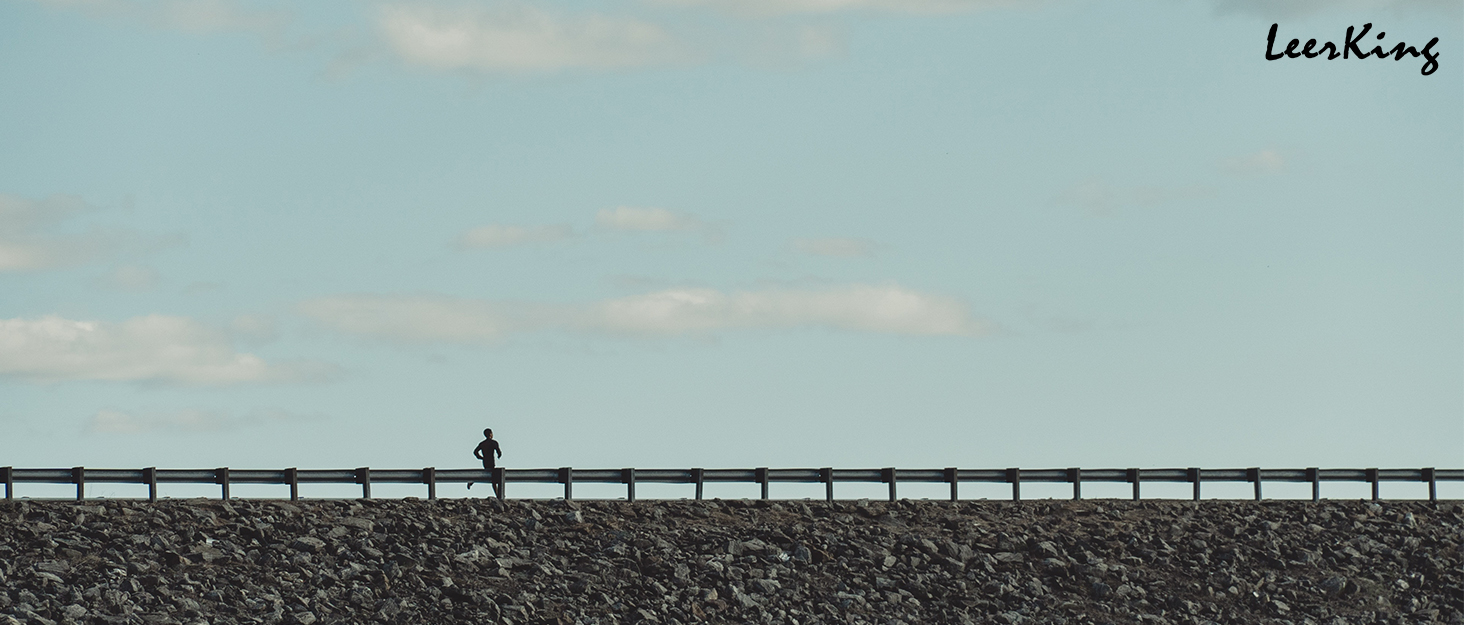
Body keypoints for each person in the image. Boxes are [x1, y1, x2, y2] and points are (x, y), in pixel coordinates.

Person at [470, 428, 502, 498]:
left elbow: (475, 452)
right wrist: (499, 455)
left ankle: (472, 481)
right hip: (491, 461)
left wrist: (481, 457)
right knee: (493, 479)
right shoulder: (494, 443)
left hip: (485, 461)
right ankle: (498, 496)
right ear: (490, 434)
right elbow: (499, 452)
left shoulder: (482, 443)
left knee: (487, 475)